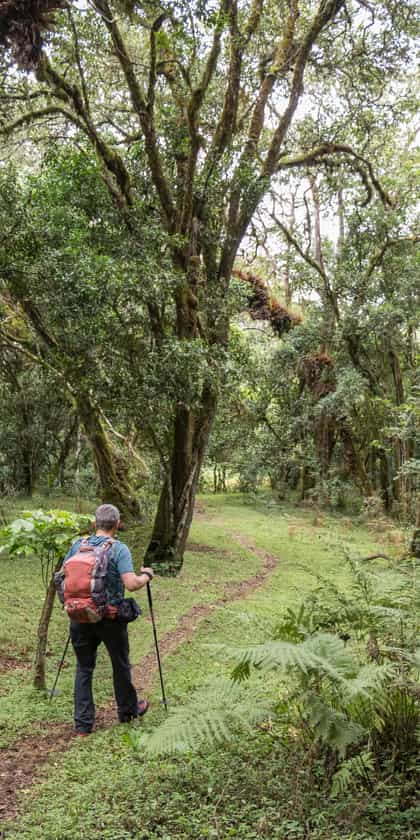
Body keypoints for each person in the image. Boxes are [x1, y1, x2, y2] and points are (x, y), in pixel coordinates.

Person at [64, 503, 154, 736]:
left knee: (84, 667)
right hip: (110, 619)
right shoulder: (118, 549)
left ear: (94, 524)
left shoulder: (76, 545)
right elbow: (131, 584)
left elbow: (62, 579)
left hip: (80, 617)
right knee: (120, 665)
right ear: (117, 524)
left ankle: (83, 725)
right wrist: (146, 575)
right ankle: (128, 712)